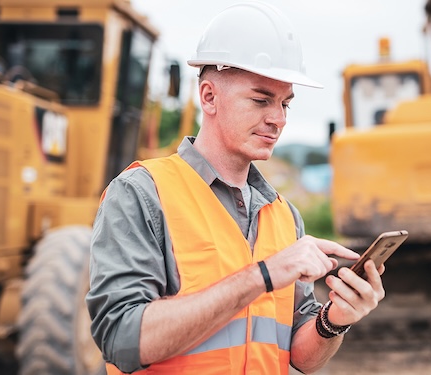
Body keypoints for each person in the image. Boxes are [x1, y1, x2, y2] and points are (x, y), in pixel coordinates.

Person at [86, 1, 386, 374]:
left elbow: (300, 358)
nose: (277, 119)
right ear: (209, 97)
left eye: (285, 104)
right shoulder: (142, 193)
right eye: (261, 100)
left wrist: (334, 320)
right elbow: (122, 339)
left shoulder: (283, 216)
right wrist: (264, 274)